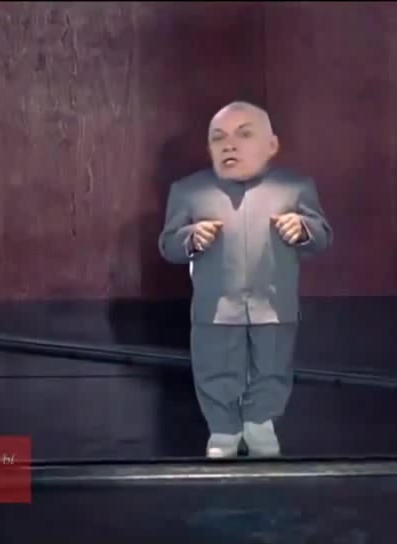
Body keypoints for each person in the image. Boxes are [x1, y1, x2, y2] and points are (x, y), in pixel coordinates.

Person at [157, 101, 333, 458]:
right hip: (217, 309)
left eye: (244, 134)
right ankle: (223, 431)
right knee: (215, 368)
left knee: (272, 368)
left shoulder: (295, 187)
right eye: (218, 138)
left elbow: (322, 236)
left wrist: (303, 229)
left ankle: (259, 425)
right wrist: (190, 238)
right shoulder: (188, 191)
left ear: (271, 145)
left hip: (274, 306)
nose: (229, 145)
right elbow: (168, 245)